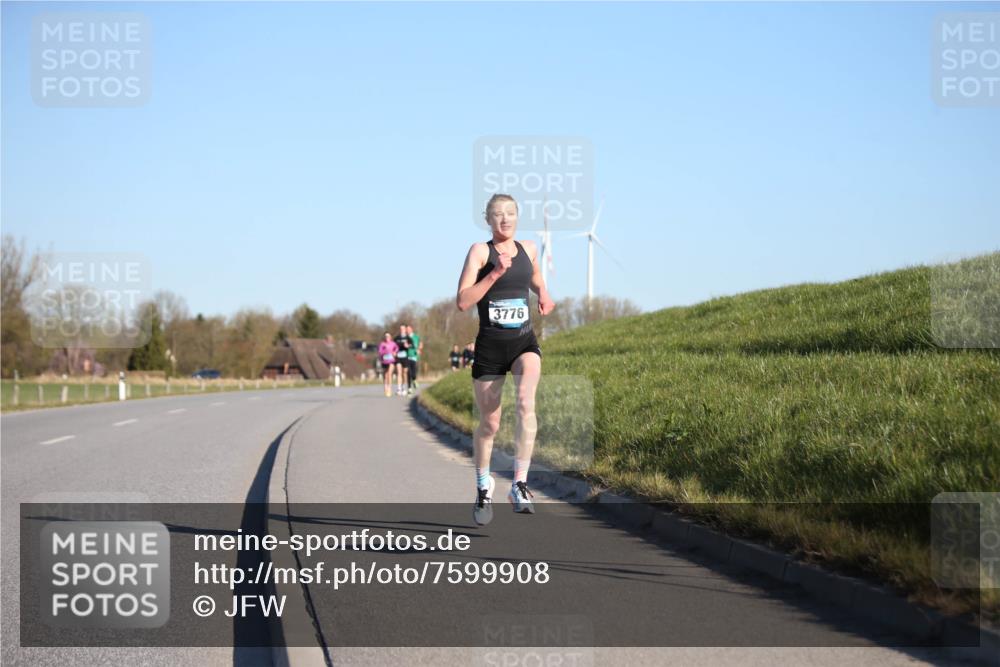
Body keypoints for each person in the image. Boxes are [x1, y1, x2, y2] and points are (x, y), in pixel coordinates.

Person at [456, 193, 554, 525]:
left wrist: (544, 293)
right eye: (498, 214)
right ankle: (484, 488)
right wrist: (494, 274)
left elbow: (536, 277)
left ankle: (520, 485)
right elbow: (462, 301)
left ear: (517, 216)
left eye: (510, 213)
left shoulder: (529, 248)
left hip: (523, 341)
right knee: (490, 424)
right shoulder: (480, 252)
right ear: (488, 219)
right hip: (490, 349)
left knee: (527, 401)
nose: (505, 219)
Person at [377, 333, 399, 397]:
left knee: (389, 373)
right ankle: (385, 386)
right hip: (384, 361)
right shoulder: (382, 344)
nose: (387, 337)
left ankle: (389, 388)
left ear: (390, 337)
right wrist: (385, 351)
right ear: (384, 337)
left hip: (391, 360)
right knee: (385, 375)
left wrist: (394, 352)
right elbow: (380, 352)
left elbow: (396, 348)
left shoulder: (393, 343)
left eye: (388, 336)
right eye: (386, 336)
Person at [393, 324, 411, 396]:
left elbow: (411, 345)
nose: (402, 330)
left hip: (405, 357)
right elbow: (393, 346)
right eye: (400, 328)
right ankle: (399, 389)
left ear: (405, 329)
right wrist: (393, 352)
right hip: (398, 357)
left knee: (404, 373)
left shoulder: (408, 338)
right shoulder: (396, 338)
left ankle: (404, 388)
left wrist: (408, 346)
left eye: (403, 328)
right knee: (399, 372)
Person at [405, 324, 423, 395]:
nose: (407, 330)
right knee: (408, 372)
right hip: (407, 356)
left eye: (409, 329)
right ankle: (409, 388)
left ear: (411, 329)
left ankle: (414, 380)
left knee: (414, 371)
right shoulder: (406, 338)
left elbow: (421, 344)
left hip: (414, 356)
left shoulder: (416, 337)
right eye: (407, 329)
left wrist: (419, 349)